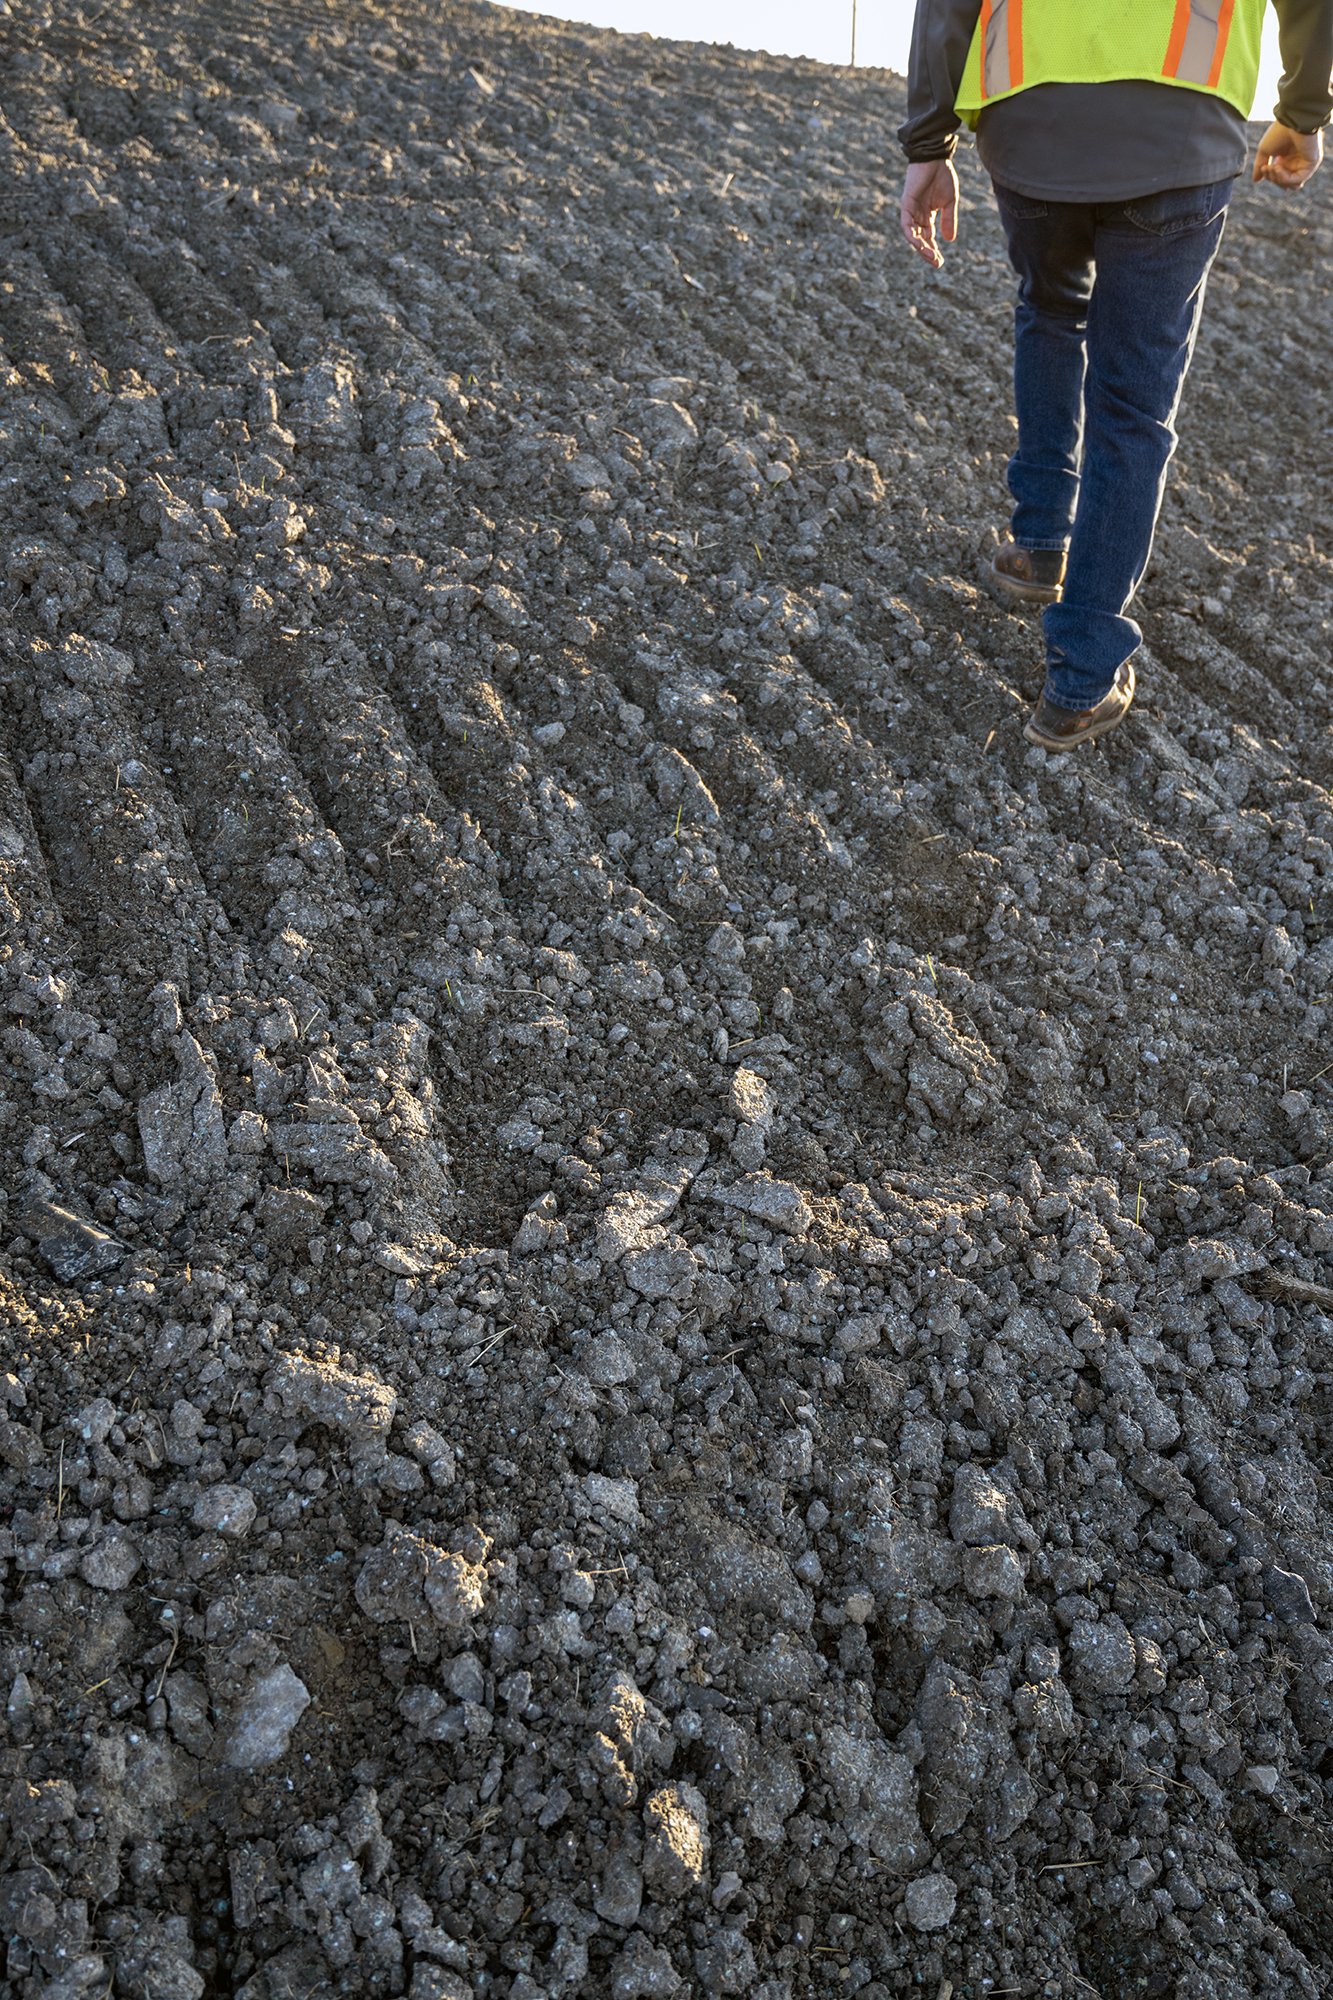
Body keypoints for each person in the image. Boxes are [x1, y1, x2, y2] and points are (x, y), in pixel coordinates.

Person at [898, 0, 1332, 751]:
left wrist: (925, 143)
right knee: (1133, 403)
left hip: (1030, 124)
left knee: (1049, 310)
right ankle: (1081, 677)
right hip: (1181, 128)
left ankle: (1039, 545)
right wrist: (1302, 110)